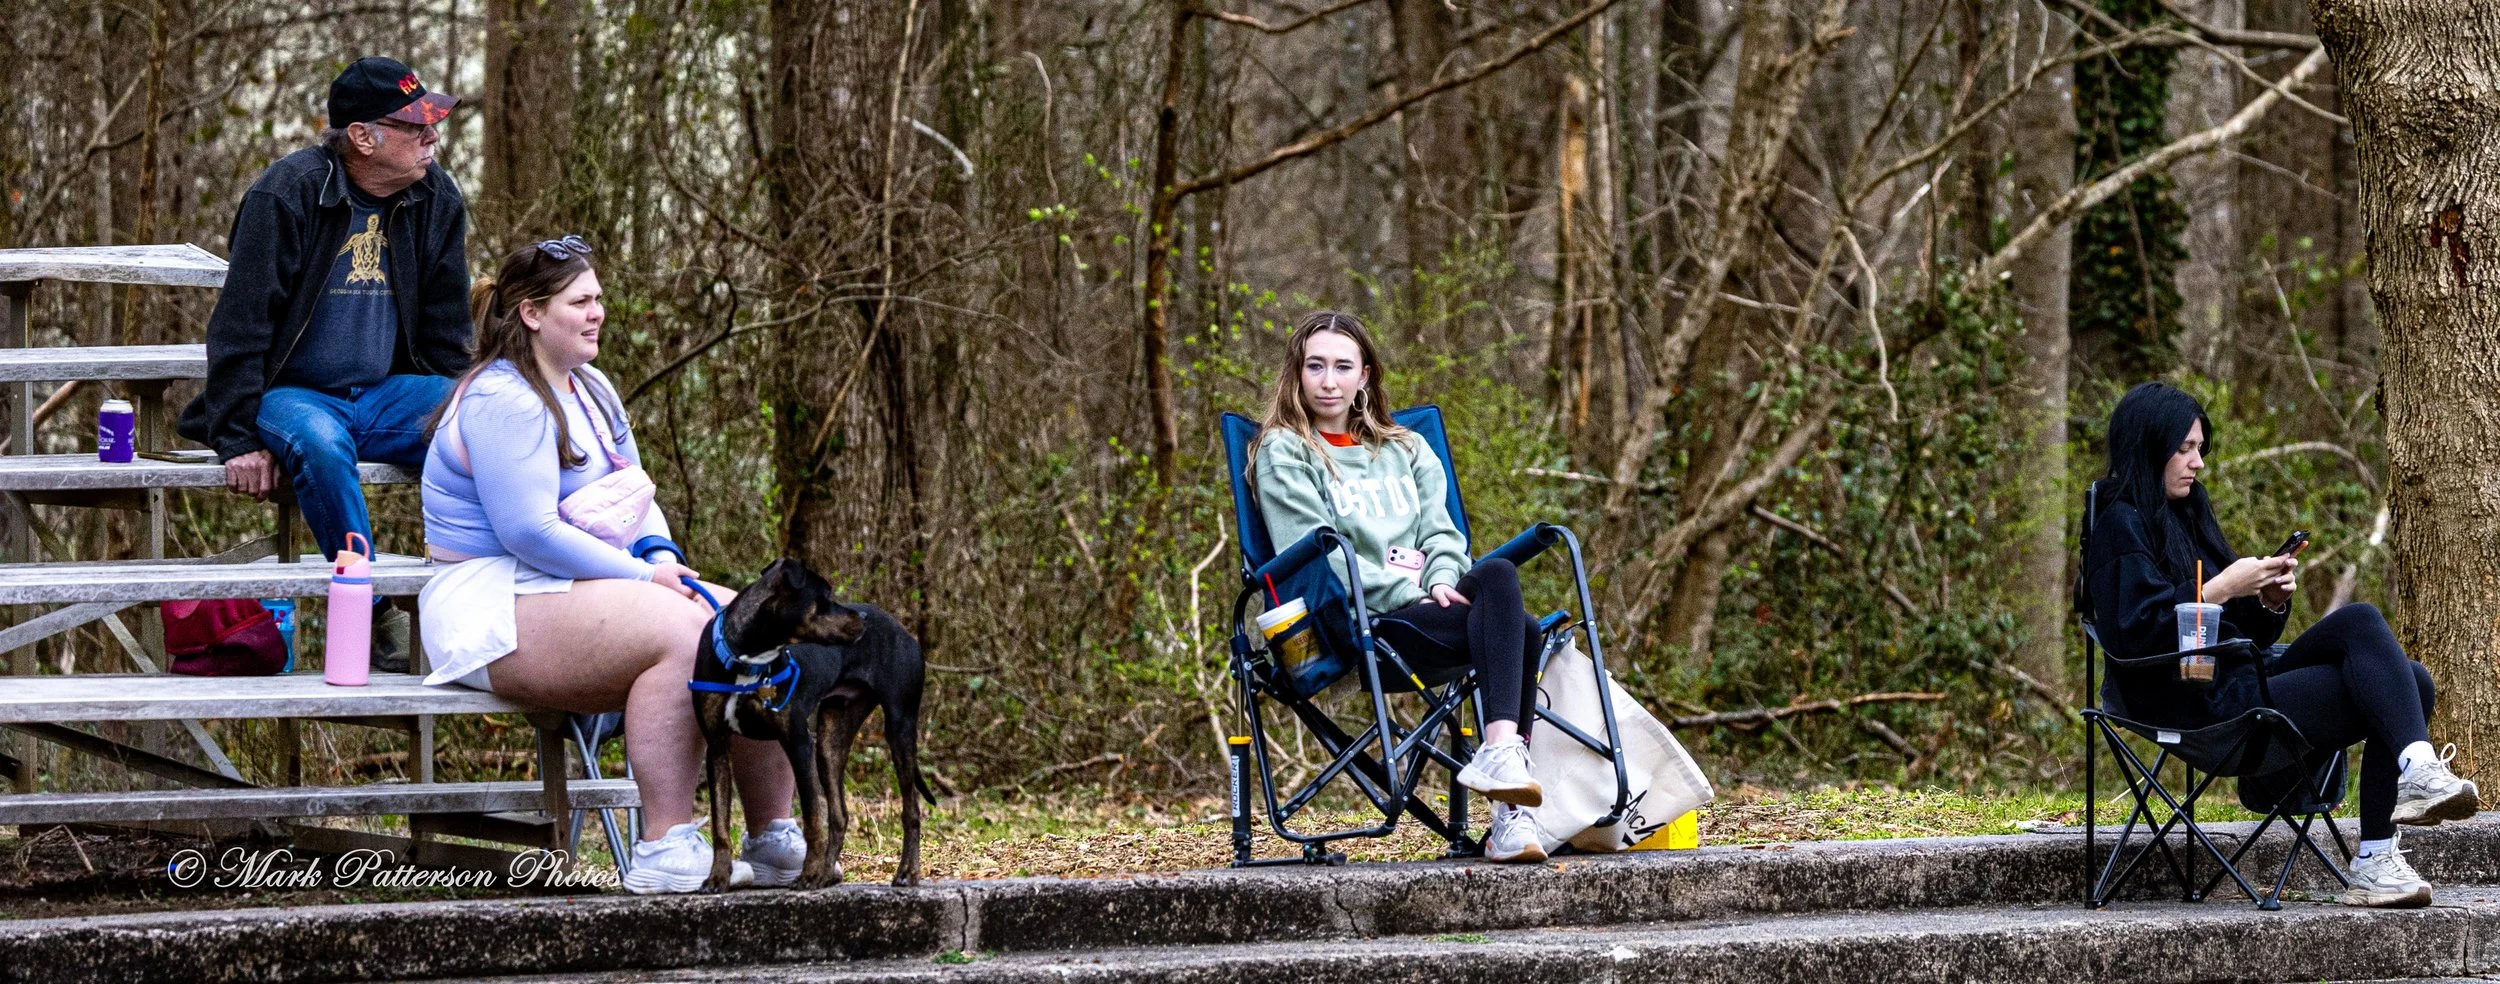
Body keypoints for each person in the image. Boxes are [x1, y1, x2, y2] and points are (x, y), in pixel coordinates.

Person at [416, 239, 799, 894]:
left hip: (582, 584)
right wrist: (645, 580)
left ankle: (772, 838)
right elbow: (528, 532)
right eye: (580, 302)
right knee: (685, 636)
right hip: (490, 601)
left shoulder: (592, 388)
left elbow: (634, 494)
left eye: (598, 299)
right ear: (532, 313)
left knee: (757, 630)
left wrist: (661, 558)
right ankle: (666, 847)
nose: (597, 313)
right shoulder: (502, 399)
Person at [2082, 382, 2479, 908]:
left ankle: (2390, 832)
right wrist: (2222, 587)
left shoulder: (2187, 511)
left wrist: (2266, 600)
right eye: (2184, 449)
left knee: (2391, 654)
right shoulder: (2119, 524)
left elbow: (2241, 631)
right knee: (2403, 675)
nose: (2198, 462)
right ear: (2147, 447)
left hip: (2235, 678)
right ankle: (2398, 813)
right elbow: (2136, 636)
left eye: (2200, 448)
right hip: (2191, 704)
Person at [178, 56, 474, 672]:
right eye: (415, 125)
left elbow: (448, 329)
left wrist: (465, 394)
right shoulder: (287, 194)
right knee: (319, 443)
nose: (432, 137)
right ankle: (375, 611)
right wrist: (237, 438)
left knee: (485, 416)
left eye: (434, 122)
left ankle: (486, 593)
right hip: (293, 394)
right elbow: (241, 325)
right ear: (363, 136)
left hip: (386, 392)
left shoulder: (436, 196)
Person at [1247, 310, 1550, 863]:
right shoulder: (1284, 451)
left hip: (1428, 606)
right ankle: (1510, 809)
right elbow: (1316, 558)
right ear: (1297, 373)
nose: (1329, 381)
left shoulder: (1407, 448)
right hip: (1357, 623)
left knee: (1499, 576)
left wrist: (1440, 580)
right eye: (1316, 366)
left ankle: (1502, 762)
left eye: (1343, 367)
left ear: (1365, 375)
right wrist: (1410, 593)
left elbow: (1443, 534)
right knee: (1522, 630)